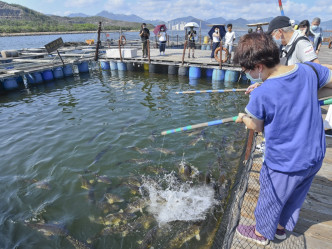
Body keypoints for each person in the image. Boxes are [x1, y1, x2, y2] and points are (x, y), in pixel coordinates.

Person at [234, 32, 332, 245]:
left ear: (259, 66)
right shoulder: (309, 70)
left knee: (271, 198)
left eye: (247, 70)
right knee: (295, 196)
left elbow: (257, 126)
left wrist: (243, 118)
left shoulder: (261, 94)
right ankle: (280, 228)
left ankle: (261, 233)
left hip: (284, 162)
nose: (247, 74)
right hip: (315, 155)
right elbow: (327, 83)